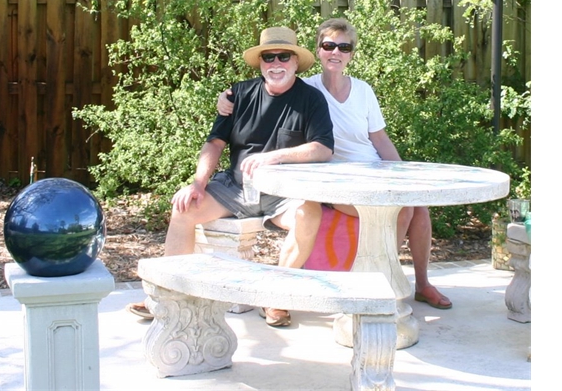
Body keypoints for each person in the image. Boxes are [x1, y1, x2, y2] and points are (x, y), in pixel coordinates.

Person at [217, 18, 452, 310]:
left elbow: (379, 140)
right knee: (402, 208)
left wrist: (405, 176)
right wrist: (226, 99)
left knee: (418, 206)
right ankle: (379, 286)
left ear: (351, 53)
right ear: (318, 50)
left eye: (344, 47)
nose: (335, 52)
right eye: (329, 45)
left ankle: (422, 283)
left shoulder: (364, 90)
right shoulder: (306, 91)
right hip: (334, 180)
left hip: (373, 171)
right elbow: (266, 91)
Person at [127, 26, 335, 325]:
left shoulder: (311, 99)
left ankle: (275, 298)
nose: (276, 63)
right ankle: (167, 296)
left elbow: (323, 148)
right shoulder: (237, 94)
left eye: (283, 56)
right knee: (183, 208)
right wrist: (197, 183)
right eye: (268, 57)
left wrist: (275, 157)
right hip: (236, 188)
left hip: (284, 194)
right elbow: (214, 143)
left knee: (310, 215)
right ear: (261, 62)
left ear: (295, 61)